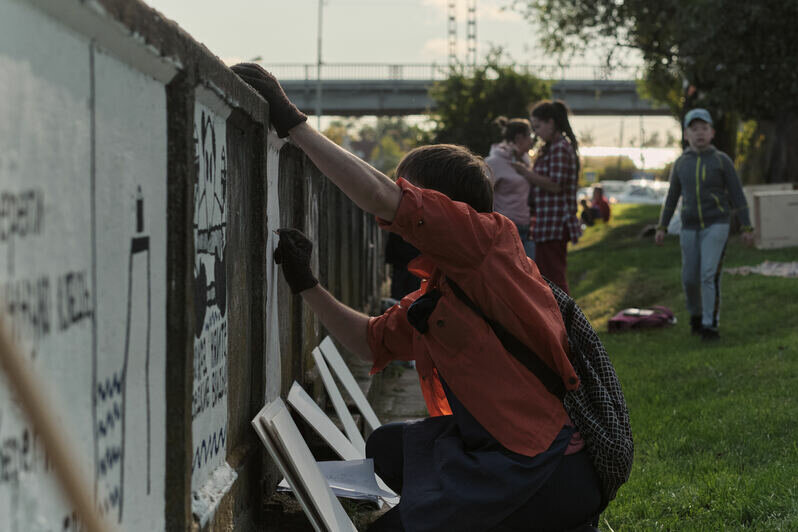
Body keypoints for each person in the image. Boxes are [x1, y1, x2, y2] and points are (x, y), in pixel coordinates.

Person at [232, 64, 603, 532]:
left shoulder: (486, 243)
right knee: (387, 447)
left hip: (542, 463)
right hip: (500, 447)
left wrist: (293, 124)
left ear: (441, 205)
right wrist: (307, 284)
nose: (397, 208)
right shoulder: (445, 288)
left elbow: (382, 198)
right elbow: (371, 341)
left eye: (407, 190)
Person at [655, 108, 754, 340]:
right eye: (694, 129)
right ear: (686, 134)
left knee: (708, 274)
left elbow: (738, 196)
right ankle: (696, 316)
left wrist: (747, 227)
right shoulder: (680, 164)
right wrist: (662, 226)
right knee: (689, 278)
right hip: (689, 227)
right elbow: (671, 198)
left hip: (717, 224)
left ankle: (710, 325)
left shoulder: (722, 160)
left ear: (712, 133)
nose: (699, 133)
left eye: (704, 128)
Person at [511, 100, 581, 294]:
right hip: (546, 223)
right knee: (548, 277)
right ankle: (558, 320)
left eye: (538, 126)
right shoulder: (551, 147)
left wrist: (525, 172)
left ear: (551, 122)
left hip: (555, 224)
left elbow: (555, 185)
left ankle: (565, 321)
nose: (536, 132)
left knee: (554, 280)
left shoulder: (560, 148)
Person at [485, 117, 537, 258]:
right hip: (505, 228)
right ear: (519, 138)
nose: (532, 141)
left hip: (526, 227)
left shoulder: (525, 161)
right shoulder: (494, 162)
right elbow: (482, 194)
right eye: (530, 136)